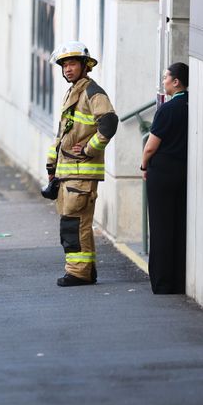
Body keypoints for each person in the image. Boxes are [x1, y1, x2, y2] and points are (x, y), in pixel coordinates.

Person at [46, 41, 119, 287]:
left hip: (80, 175)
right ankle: (85, 271)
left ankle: (78, 273)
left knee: (74, 224)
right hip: (69, 174)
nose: (67, 69)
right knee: (76, 224)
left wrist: (89, 149)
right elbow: (63, 134)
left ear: (85, 66)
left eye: (72, 63)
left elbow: (109, 123)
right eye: (64, 65)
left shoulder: (91, 91)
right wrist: (51, 166)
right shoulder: (74, 91)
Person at [141, 62, 189, 294]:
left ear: (176, 81)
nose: (164, 81)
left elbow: (150, 147)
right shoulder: (192, 106)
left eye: (166, 77)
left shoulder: (167, 110)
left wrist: (143, 165)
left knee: (160, 227)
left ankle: (162, 282)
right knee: (180, 225)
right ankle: (180, 280)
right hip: (184, 171)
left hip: (162, 173)